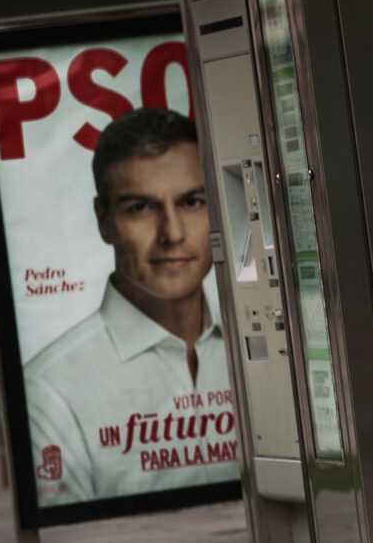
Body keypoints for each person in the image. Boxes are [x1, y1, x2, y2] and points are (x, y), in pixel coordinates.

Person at [25, 107, 238, 506]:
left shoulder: (265, 346)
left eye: (192, 201)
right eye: (140, 207)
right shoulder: (49, 391)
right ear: (103, 220)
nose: (172, 233)